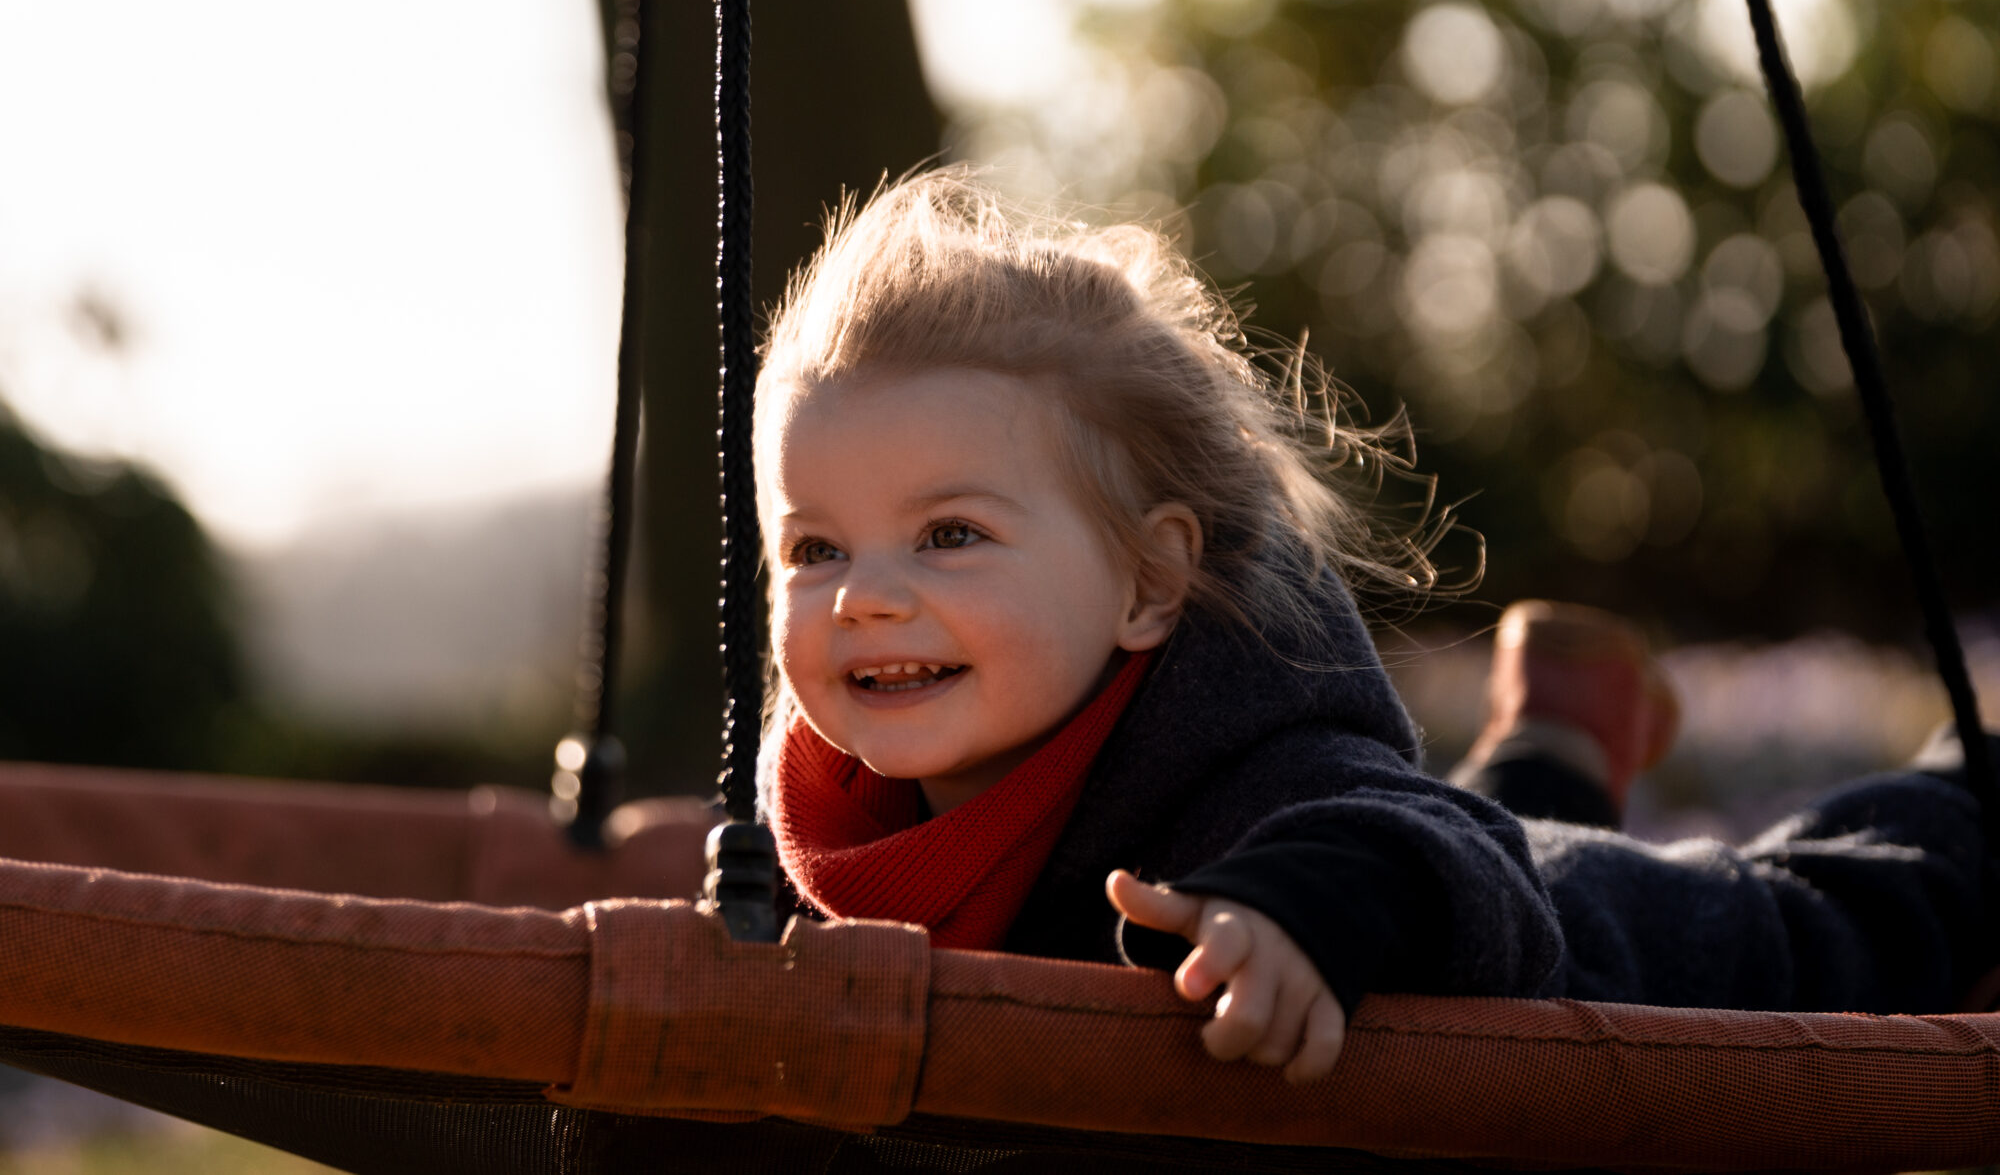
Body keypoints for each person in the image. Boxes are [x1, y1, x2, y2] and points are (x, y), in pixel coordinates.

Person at [755, 170, 1992, 1085]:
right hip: (1465, 844)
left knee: (1853, 920)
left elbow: (1421, 845)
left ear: (1145, 584)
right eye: (813, 548)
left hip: (1603, 954)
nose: (862, 594)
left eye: (949, 534)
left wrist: (1299, 908)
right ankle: (1556, 735)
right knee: (1500, 815)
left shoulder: (1246, 773)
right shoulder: (823, 829)